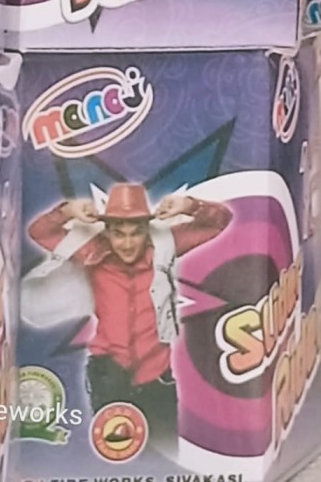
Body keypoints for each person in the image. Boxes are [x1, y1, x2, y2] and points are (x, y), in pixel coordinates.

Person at [28, 183, 232, 446]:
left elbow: (219, 221)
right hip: (109, 374)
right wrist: (68, 210)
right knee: (115, 454)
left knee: (165, 453)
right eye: (118, 234)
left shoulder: (166, 246)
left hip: (156, 377)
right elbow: (39, 232)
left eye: (135, 233)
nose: (127, 243)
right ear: (107, 232)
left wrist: (190, 205)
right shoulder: (91, 251)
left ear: (147, 230)